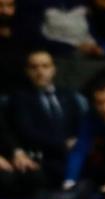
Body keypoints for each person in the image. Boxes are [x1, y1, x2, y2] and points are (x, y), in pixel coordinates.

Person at [9, 50, 84, 188]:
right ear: (27, 71)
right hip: (43, 157)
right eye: (34, 67)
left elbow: (81, 124)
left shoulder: (68, 95)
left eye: (45, 66)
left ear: (53, 69)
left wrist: (78, 142)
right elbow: (27, 132)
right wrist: (62, 144)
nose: (40, 71)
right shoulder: (20, 98)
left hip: (72, 155)